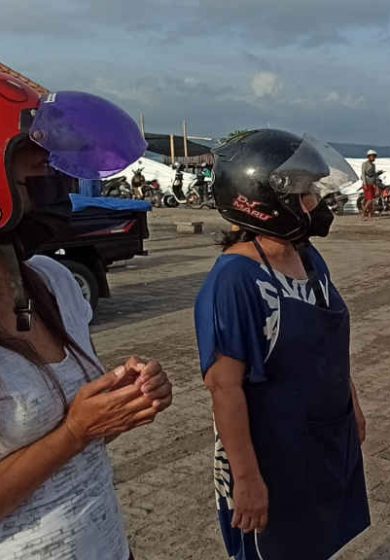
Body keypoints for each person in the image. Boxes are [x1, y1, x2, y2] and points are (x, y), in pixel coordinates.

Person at [0, 74, 172, 559]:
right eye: (29, 154)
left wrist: (121, 402)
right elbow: (69, 433)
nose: (50, 167)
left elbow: (70, 427)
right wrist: (77, 432)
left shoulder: (50, 281)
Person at [195, 129, 370, 560]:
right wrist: (247, 478)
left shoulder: (307, 257)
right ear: (264, 201)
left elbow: (329, 346)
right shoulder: (234, 281)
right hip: (270, 454)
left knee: (316, 543)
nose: (314, 203)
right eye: (305, 193)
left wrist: (353, 406)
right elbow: (224, 387)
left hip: (322, 440)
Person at [361, 149, 379, 220]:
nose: (374, 158)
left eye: (374, 156)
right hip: (367, 183)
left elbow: (374, 174)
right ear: (369, 157)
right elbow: (363, 174)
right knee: (370, 199)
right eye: (373, 156)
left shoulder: (373, 165)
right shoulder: (365, 164)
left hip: (372, 183)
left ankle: (370, 213)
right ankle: (364, 212)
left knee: (372, 199)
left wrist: (375, 183)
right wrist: (365, 183)